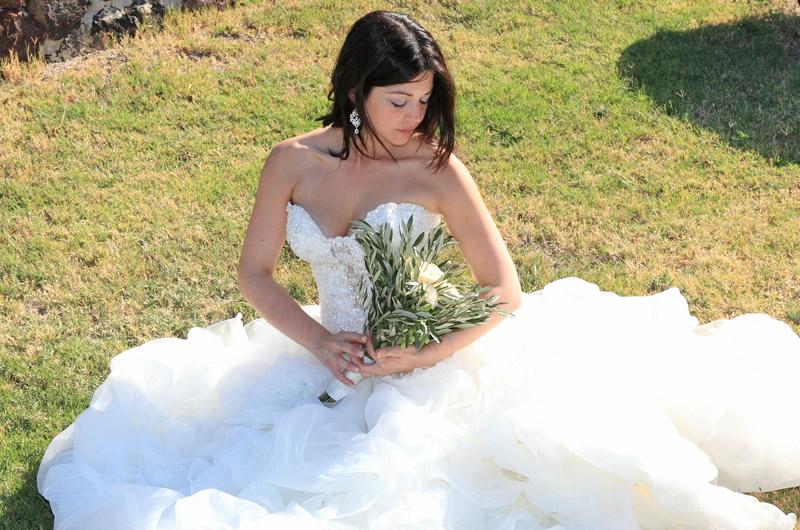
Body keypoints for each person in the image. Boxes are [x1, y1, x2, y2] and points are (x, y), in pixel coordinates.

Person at [38, 10, 800, 530]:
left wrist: (421, 352)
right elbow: (257, 274)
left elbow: (504, 291)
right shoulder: (293, 163)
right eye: (398, 99)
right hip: (327, 356)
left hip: (436, 363)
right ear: (354, 91)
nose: (415, 116)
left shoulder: (436, 169)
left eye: (425, 99)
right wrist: (318, 341)